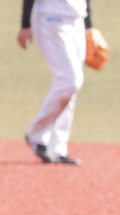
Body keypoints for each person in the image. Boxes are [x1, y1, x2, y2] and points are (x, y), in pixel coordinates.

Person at [17, 0, 93, 165]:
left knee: (69, 87)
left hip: (77, 19)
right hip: (51, 19)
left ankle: (57, 147)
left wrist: (89, 27)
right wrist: (25, 24)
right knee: (70, 81)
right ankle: (36, 135)